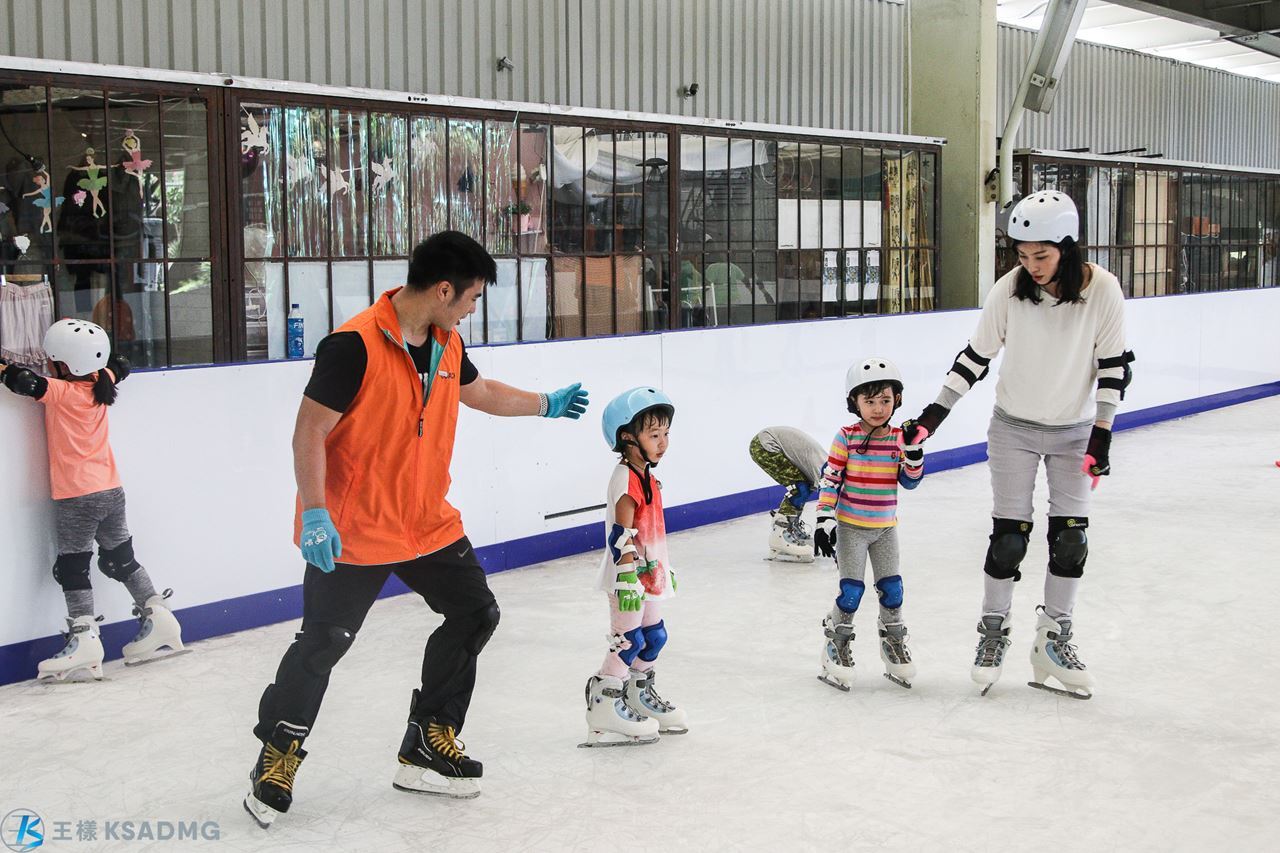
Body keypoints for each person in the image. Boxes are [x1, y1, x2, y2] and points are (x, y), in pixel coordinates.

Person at [244, 231, 589, 827]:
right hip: (356, 526)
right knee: (324, 642)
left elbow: (481, 392)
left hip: (426, 520)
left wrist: (545, 403)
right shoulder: (353, 346)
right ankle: (278, 756)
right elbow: (309, 432)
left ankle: (429, 740)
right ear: (444, 290)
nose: (473, 308)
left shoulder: (446, 343)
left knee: (474, 613)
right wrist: (316, 511)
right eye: (473, 297)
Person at [901, 190, 1134, 699]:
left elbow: (1114, 367)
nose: (1031, 266)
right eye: (1023, 255)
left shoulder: (1104, 290)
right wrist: (933, 416)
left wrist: (1102, 434)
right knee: (1009, 539)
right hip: (1013, 429)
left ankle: (1053, 639)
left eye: (1041, 255)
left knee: (1071, 540)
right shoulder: (1010, 289)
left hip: (1074, 432)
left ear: (1068, 246)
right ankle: (993, 631)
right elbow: (974, 357)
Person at [0, 319, 183, 682]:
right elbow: (121, 365)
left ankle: (84, 638)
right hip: (111, 490)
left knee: (73, 567)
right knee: (119, 559)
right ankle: (159, 615)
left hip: (78, 497)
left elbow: (24, 382)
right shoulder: (103, 383)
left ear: (63, 364)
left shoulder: (62, 392)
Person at [582, 387, 687, 747]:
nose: (663, 443)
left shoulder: (647, 476)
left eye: (666, 434)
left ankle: (637, 695)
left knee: (654, 637)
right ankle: (604, 705)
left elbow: (650, 530)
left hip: (649, 574)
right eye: (654, 435)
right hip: (628, 576)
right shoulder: (626, 478)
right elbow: (621, 534)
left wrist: (663, 568)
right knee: (629, 641)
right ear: (627, 437)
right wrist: (628, 577)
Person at [813, 358, 924, 691]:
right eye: (870, 401)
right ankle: (836, 642)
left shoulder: (900, 437)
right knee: (852, 591)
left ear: (897, 400)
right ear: (855, 402)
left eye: (885, 400)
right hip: (851, 528)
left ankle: (893, 643)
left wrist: (914, 452)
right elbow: (831, 478)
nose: (878, 408)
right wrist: (824, 518)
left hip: (886, 529)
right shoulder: (846, 437)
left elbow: (910, 481)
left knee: (893, 589)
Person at [748, 426, 826, 562]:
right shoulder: (824, 472)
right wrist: (824, 529)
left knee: (803, 489)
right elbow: (828, 504)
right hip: (764, 445)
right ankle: (780, 536)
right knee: (799, 490)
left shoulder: (828, 466)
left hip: (769, 441)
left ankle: (791, 529)